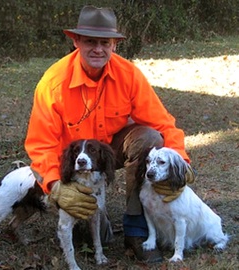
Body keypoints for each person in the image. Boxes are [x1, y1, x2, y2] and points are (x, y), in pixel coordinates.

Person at [25, 5, 194, 263]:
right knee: (95, 235)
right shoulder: (53, 83)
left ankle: (137, 231)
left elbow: (163, 124)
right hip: (73, 159)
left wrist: (181, 162)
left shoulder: (128, 75)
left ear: (114, 44)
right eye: (90, 41)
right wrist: (55, 186)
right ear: (76, 41)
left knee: (150, 138)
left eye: (105, 42)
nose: (98, 49)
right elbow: (40, 145)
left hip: (108, 152)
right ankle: (82, 216)